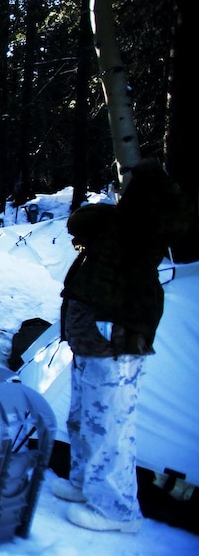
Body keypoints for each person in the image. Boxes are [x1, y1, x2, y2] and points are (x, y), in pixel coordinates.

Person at [55, 160, 194, 533]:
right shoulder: (109, 238)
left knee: (109, 426)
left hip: (114, 342)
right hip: (91, 341)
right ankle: (85, 484)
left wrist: (142, 176)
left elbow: (158, 211)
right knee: (82, 419)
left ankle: (116, 509)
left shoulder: (138, 231)